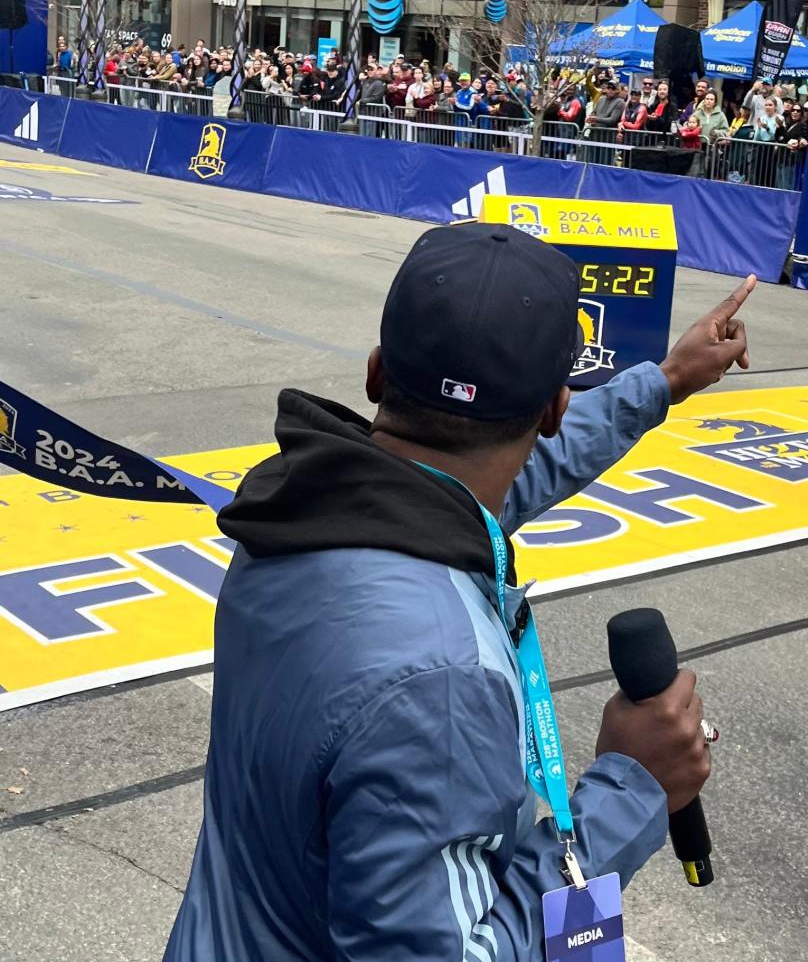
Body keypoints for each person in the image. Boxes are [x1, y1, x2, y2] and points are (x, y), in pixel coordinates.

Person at [164, 225, 757, 960]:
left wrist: (664, 380)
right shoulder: (439, 681)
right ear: (551, 408)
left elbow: (495, 481)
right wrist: (630, 789)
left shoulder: (306, 511)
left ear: (379, 374)